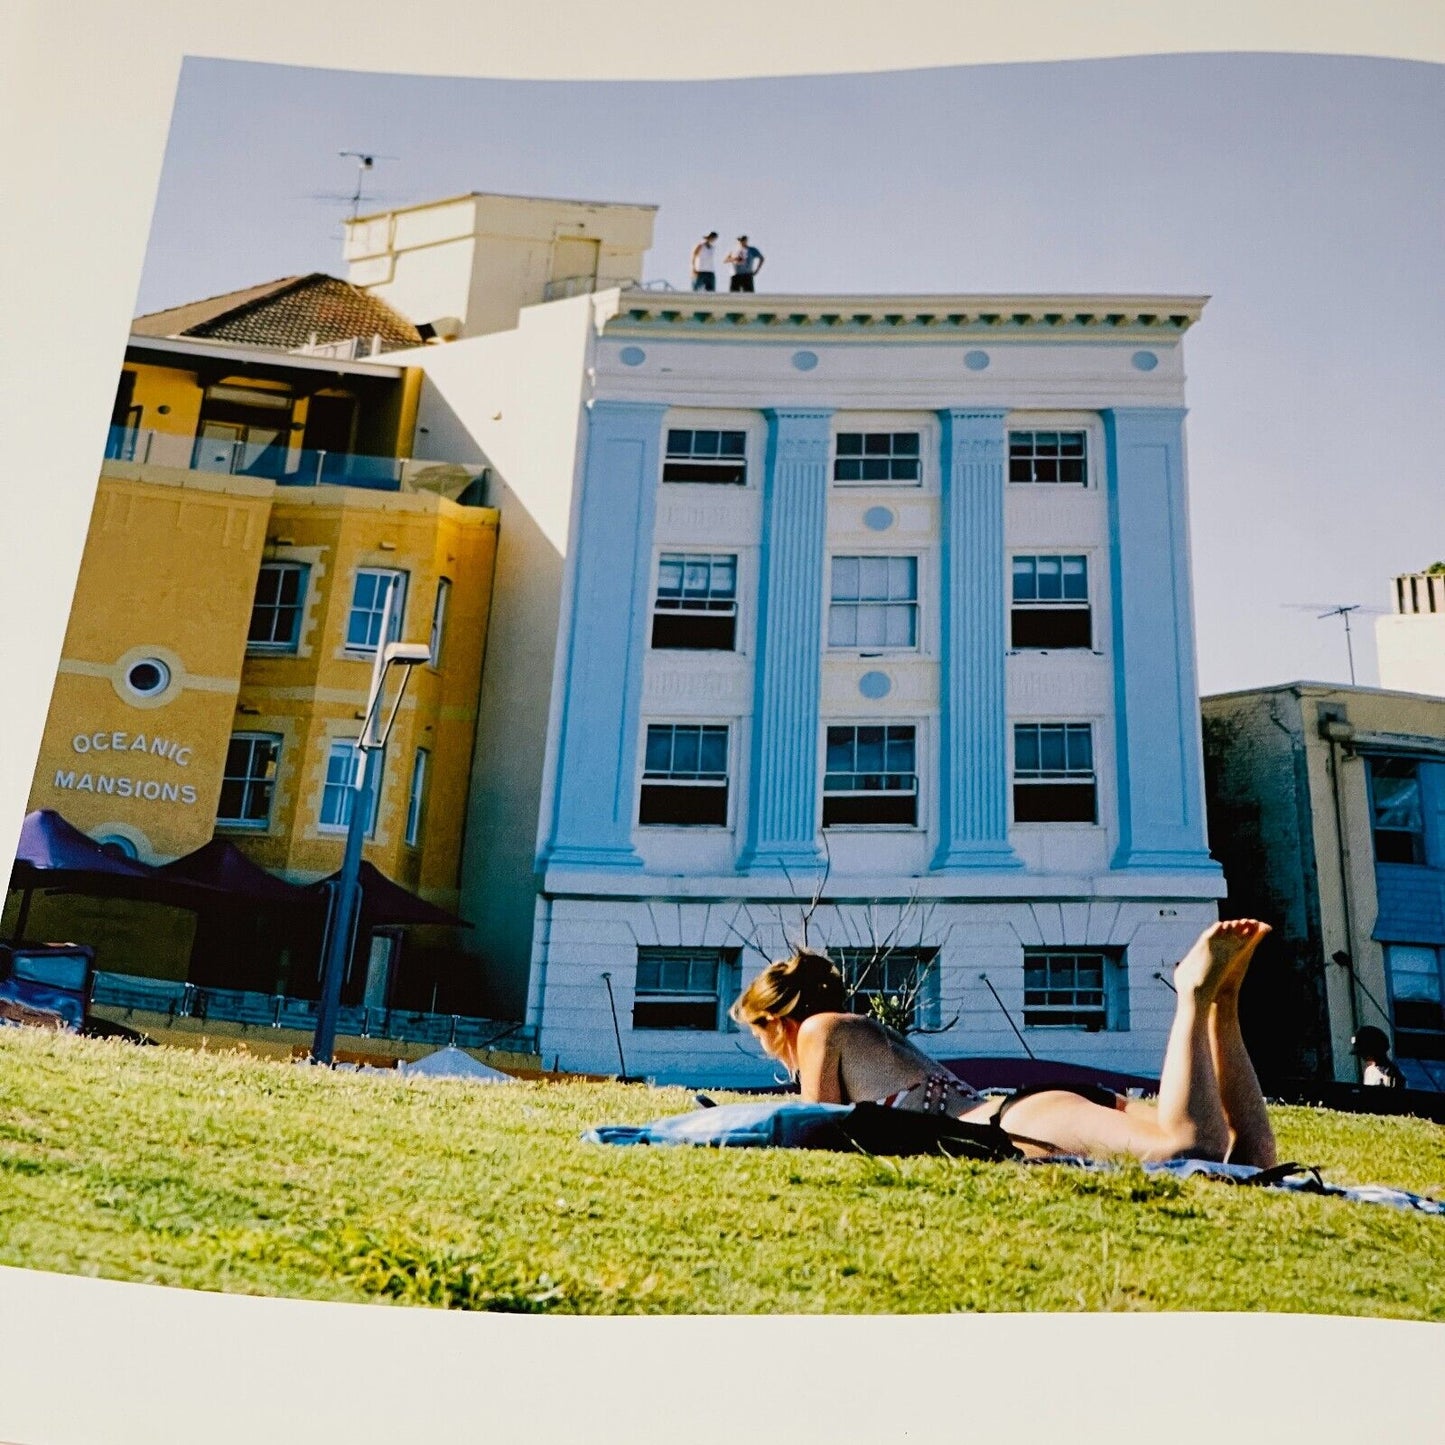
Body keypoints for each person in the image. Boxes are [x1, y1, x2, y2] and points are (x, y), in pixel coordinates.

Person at [731, 919, 1278, 1167]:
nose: (768, 1049)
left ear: (778, 1020)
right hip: (1032, 1106)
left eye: (762, 1033)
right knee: (1245, 1161)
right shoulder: (863, 1032)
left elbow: (816, 1129)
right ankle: (1223, 1008)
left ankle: (1192, 994)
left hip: (1012, 1122)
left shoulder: (821, 1029)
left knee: (1190, 1150)